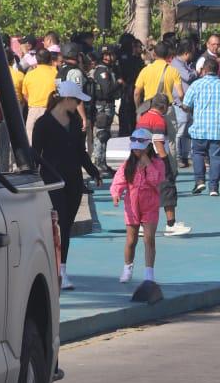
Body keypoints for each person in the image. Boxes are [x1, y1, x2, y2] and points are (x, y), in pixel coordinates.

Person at [31, 80, 99, 291]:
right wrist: (34, 177)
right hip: (53, 181)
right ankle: (53, 268)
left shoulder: (75, 120)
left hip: (74, 180)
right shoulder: (43, 123)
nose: (79, 104)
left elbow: (81, 152)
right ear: (67, 99)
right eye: (77, 100)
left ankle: (63, 269)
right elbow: (35, 154)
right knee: (58, 224)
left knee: (67, 225)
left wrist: (93, 171)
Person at [110, 128, 164, 286]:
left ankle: (149, 273)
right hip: (131, 206)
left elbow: (156, 181)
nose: (137, 152)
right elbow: (119, 180)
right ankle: (128, 267)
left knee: (149, 239)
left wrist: (148, 164)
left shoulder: (157, 163)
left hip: (150, 205)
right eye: (134, 149)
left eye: (140, 149)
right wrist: (116, 194)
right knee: (131, 240)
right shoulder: (128, 164)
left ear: (148, 147)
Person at [137, 94, 191, 235]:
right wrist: (165, 163)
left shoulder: (143, 117)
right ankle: (171, 225)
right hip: (157, 160)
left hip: (143, 160)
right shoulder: (158, 120)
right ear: (164, 106)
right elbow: (159, 144)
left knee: (147, 193)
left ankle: (143, 225)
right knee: (168, 189)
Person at [182, 53, 220, 196]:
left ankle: (199, 181)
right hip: (217, 129)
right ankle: (214, 187)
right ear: (217, 70)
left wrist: (190, 108)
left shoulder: (196, 85)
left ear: (204, 70)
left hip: (199, 129)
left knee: (198, 153)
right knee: (216, 157)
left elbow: (186, 104)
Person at [90, 46, 119, 176]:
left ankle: (102, 162)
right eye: (107, 55)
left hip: (106, 105)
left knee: (104, 134)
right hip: (102, 106)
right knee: (101, 134)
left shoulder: (107, 69)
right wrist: (118, 83)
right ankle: (99, 162)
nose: (110, 57)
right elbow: (106, 91)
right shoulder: (102, 71)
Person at [134, 41, 181, 114]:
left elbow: (137, 93)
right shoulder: (173, 71)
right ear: (167, 55)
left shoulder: (145, 70)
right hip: (166, 110)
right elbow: (180, 94)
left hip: (149, 110)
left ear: (154, 54)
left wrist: (139, 108)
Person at [22, 49, 58, 144]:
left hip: (34, 111)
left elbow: (25, 95)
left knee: (31, 143)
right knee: (51, 144)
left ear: (37, 60)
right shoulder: (56, 73)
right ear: (50, 60)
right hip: (53, 111)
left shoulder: (29, 75)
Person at [171, 39, 196, 167]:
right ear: (186, 53)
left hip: (187, 103)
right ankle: (179, 156)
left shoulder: (186, 63)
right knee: (180, 131)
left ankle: (185, 156)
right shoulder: (176, 64)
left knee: (187, 131)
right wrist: (196, 71)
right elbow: (187, 76)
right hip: (179, 103)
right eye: (192, 52)